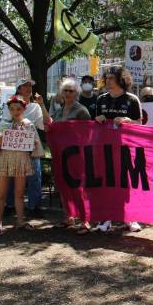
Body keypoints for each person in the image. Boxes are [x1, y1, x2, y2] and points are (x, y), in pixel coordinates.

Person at [36, 78, 91, 232]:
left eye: (71, 91)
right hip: (61, 155)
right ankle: (69, 217)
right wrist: (41, 104)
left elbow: (88, 133)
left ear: (76, 93)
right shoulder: (59, 111)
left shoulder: (81, 110)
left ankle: (85, 220)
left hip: (76, 155)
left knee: (78, 187)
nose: (67, 93)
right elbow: (50, 124)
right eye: (65, 90)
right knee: (63, 185)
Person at [94, 66, 142, 233]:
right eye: (106, 78)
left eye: (111, 78)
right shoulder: (101, 99)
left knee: (126, 183)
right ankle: (105, 218)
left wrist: (129, 120)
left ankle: (129, 217)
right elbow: (95, 123)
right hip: (105, 149)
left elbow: (140, 123)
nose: (107, 81)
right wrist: (97, 119)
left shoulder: (132, 99)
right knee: (106, 182)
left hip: (126, 149)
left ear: (121, 80)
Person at [0, 97, 44, 235]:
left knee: (19, 194)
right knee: (1, 194)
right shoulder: (4, 124)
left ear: (24, 109)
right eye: (12, 109)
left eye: (18, 109)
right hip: (5, 159)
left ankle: (20, 221)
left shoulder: (28, 124)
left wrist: (34, 145)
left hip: (21, 160)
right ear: (9, 109)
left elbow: (34, 143)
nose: (15, 111)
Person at [2, 78, 45, 217]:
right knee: (11, 175)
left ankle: (34, 207)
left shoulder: (35, 106)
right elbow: (5, 124)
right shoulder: (9, 105)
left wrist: (42, 106)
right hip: (14, 146)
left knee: (35, 176)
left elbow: (42, 125)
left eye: (29, 86)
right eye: (24, 86)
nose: (28, 88)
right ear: (18, 89)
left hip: (30, 146)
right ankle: (10, 205)